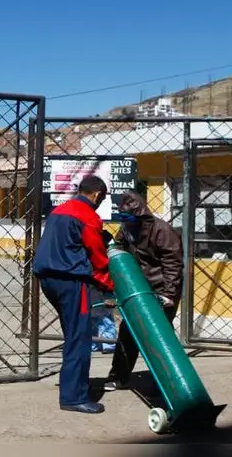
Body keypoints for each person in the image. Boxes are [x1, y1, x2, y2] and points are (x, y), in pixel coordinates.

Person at [32, 175, 114, 414]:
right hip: (71, 281)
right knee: (79, 338)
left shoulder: (60, 210)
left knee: (72, 334)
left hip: (48, 279)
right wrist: (107, 286)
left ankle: (73, 387)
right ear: (98, 195)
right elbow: (98, 258)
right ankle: (74, 397)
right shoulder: (88, 216)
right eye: (103, 198)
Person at [103, 190, 183, 393]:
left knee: (161, 337)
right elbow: (120, 251)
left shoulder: (161, 231)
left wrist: (169, 294)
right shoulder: (128, 229)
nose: (127, 221)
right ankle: (118, 377)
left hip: (160, 290)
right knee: (128, 333)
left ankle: (171, 380)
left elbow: (173, 265)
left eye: (130, 216)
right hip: (138, 288)